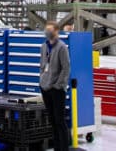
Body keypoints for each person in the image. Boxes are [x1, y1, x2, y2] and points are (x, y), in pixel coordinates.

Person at [40, 21, 71, 151]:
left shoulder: (62, 47)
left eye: (50, 30)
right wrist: (42, 80)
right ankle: (56, 147)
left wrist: (58, 85)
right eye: (46, 30)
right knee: (52, 120)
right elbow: (42, 65)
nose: (48, 32)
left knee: (60, 121)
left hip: (57, 90)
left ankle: (63, 148)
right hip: (45, 88)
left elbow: (66, 68)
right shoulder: (44, 46)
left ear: (57, 31)